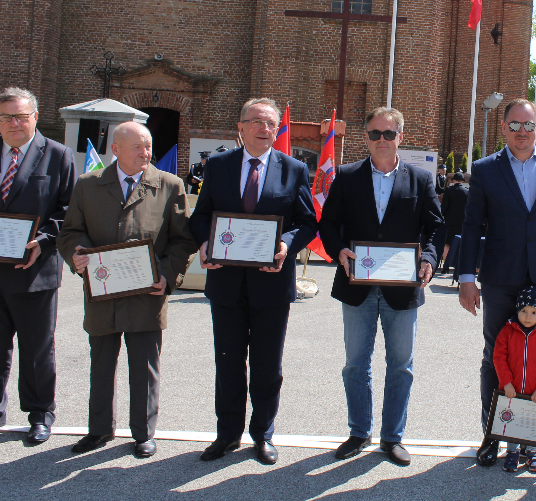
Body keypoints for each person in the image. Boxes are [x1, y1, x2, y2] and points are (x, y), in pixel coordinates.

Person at [189, 98, 318, 466]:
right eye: (257, 122)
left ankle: (262, 434)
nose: (265, 129)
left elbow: (307, 222)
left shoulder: (294, 169)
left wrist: (285, 245)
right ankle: (227, 434)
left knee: (267, 365)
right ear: (241, 127)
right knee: (228, 362)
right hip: (226, 282)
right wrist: (203, 243)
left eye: (271, 124)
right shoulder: (218, 166)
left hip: (272, 283)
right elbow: (201, 217)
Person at [457, 97, 536, 471]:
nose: (522, 132)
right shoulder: (485, 169)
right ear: (504, 129)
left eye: (528, 125)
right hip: (500, 278)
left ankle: (533, 440)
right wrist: (466, 278)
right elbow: (471, 226)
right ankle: (493, 435)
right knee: (497, 356)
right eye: (514, 125)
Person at [57, 122, 196, 457]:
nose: (145, 153)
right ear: (115, 150)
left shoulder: (169, 185)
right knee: (101, 363)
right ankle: (99, 430)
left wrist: (166, 275)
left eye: (148, 146)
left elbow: (183, 240)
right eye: (137, 147)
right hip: (103, 293)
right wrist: (76, 255)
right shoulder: (88, 185)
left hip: (147, 295)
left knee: (145, 365)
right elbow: (70, 232)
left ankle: (144, 433)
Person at [318, 107, 443, 467]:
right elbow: (329, 225)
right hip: (356, 284)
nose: (383, 141)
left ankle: (392, 437)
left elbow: (436, 227)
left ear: (400, 137)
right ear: (367, 137)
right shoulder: (346, 176)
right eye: (376, 134)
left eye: (390, 134)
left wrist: (429, 260)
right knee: (355, 364)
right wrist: (337, 249)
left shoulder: (420, 180)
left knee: (400, 365)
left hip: (403, 289)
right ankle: (359, 432)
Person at [0, 88, 75, 446]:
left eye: (21, 116)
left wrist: (42, 242)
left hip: (34, 271)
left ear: (35, 117)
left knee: (37, 348)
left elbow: (69, 211)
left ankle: (41, 413)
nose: (13, 123)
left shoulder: (58, 156)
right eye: (5, 116)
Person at [492, 285, 536, 474]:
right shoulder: (507, 331)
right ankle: (512, 452)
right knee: (512, 420)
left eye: (534, 312)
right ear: (517, 310)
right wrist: (506, 382)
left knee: (532, 421)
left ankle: (533, 452)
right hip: (512, 389)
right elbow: (499, 357)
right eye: (524, 311)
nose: (528, 317)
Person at [439, 171, 469, 270]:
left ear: (453, 180)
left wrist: (442, 215)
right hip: (462, 221)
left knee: (447, 243)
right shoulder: (466, 191)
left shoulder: (449, 190)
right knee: (460, 242)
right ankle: (458, 266)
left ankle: (446, 266)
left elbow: (444, 206)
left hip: (449, 220)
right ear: (462, 181)